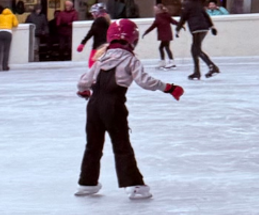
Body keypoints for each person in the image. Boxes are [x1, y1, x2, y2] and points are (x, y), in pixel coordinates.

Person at [75, 19, 182, 202]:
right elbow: (145, 82)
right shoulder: (130, 59)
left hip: (93, 106)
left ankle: (87, 183)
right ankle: (134, 186)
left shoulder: (101, 59)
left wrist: (85, 91)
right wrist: (169, 88)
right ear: (133, 38)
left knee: (92, 145)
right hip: (114, 105)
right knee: (121, 145)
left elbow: (83, 81)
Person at [175, 0, 220, 80]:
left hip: (196, 28)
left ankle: (212, 67)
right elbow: (205, 14)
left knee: (196, 50)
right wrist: (211, 26)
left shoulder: (186, 3)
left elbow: (184, 16)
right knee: (194, 50)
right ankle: (197, 72)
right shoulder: (197, 2)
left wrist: (178, 29)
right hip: (204, 28)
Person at [141, 4, 176, 70]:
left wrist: (146, 32)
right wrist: (180, 25)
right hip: (167, 34)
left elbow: (153, 26)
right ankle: (166, 62)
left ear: (159, 10)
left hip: (164, 35)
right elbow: (173, 21)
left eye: (155, 9)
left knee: (165, 47)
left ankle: (170, 62)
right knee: (163, 47)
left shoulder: (159, 17)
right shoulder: (166, 15)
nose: (154, 11)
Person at [77, 3, 111, 68]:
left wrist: (82, 43)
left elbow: (91, 32)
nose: (92, 14)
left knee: (92, 65)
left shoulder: (98, 21)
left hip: (98, 47)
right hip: (105, 46)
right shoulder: (107, 20)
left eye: (94, 12)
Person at [0, 4, 18, 72]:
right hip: (8, 33)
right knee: (6, 50)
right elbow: (15, 24)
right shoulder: (12, 16)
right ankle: (5, 66)